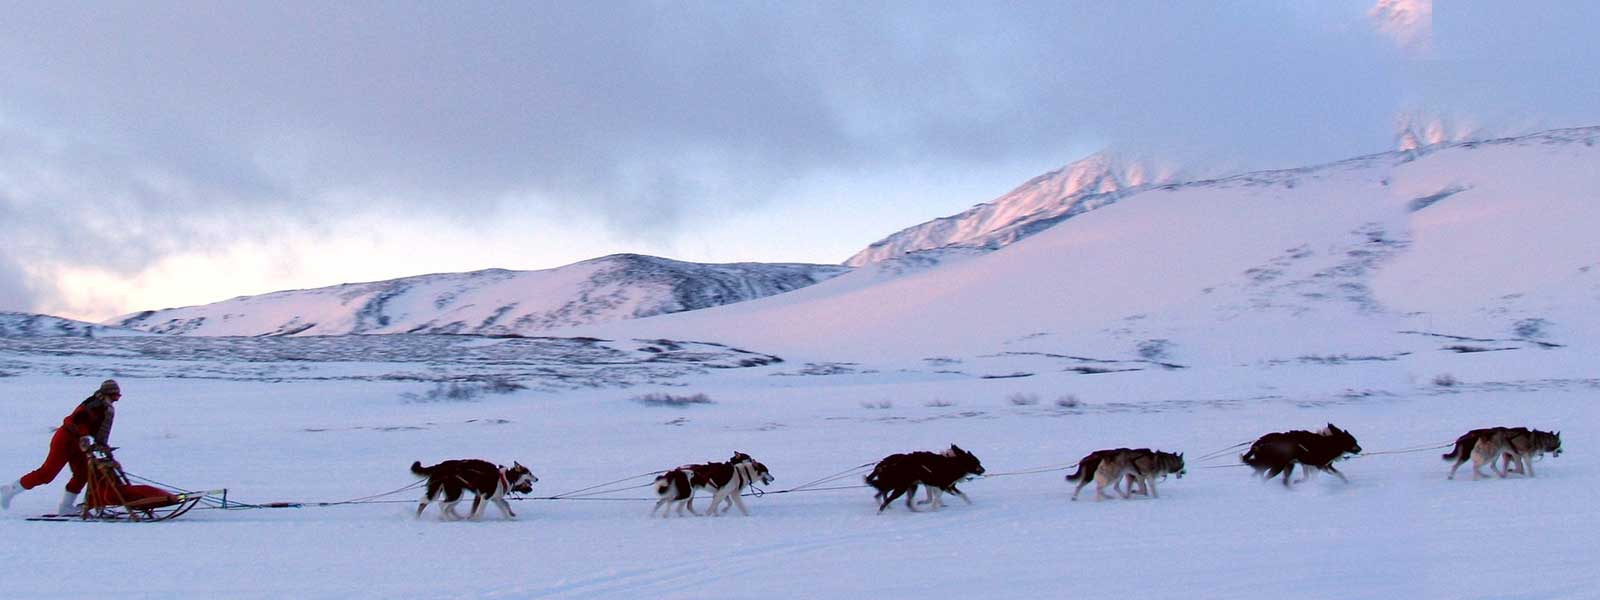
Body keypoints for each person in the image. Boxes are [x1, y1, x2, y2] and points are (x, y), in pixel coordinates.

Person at [1, 379, 122, 514]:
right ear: (106, 394)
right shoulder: (93, 404)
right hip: (65, 439)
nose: (116, 400)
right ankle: (10, 490)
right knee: (46, 474)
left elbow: (98, 431)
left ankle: (65, 507)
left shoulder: (105, 408)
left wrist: (102, 446)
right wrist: (83, 436)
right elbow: (79, 419)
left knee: (82, 474)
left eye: (118, 396)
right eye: (114, 396)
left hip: (80, 443)